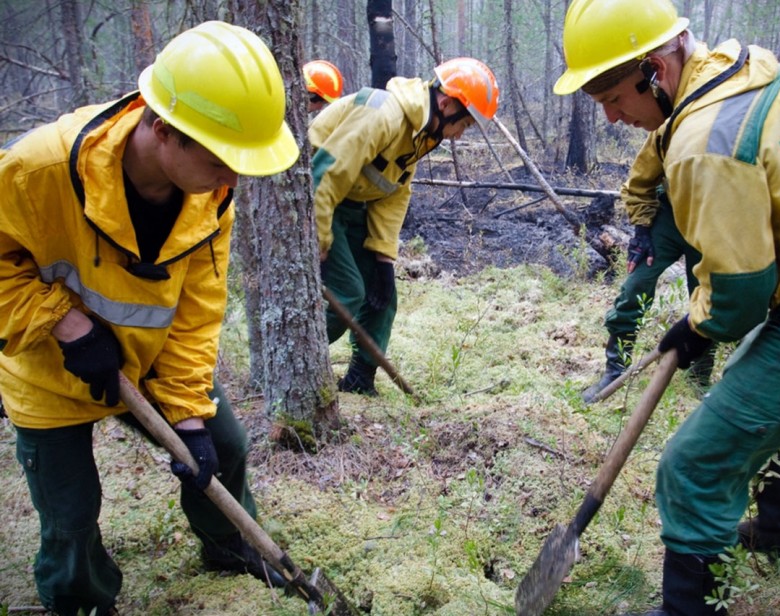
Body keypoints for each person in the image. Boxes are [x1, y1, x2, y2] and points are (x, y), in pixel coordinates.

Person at [555, 1, 780, 614]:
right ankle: (777, 533)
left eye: (611, 96)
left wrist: (699, 327)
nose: (611, 115)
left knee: (691, 466)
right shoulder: (739, 69)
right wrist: (700, 319)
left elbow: (741, 291)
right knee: (747, 397)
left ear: (654, 69)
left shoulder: (702, 142)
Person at [0, 21, 299, 615]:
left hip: (149, 362)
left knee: (223, 445)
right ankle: (80, 599)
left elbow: (197, 311)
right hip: (48, 375)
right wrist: (65, 322)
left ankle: (230, 545)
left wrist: (186, 413)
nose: (232, 178)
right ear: (164, 130)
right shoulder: (39, 170)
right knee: (71, 514)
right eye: (221, 159)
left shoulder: (211, 197)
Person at [310, 57, 500, 395]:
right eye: (464, 126)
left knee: (383, 296)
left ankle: (359, 379)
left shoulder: (419, 134)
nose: (458, 136)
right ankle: (293, 365)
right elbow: (326, 173)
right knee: (349, 292)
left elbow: (393, 192)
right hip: (317, 198)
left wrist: (383, 258)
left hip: (351, 204)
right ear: (445, 104)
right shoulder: (383, 114)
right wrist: (320, 238)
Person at [581, 179, 715, 403]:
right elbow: (642, 175)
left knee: (708, 298)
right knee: (636, 286)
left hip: (709, 221)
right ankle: (615, 369)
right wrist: (641, 230)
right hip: (667, 216)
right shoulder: (667, 141)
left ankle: (699, 376)